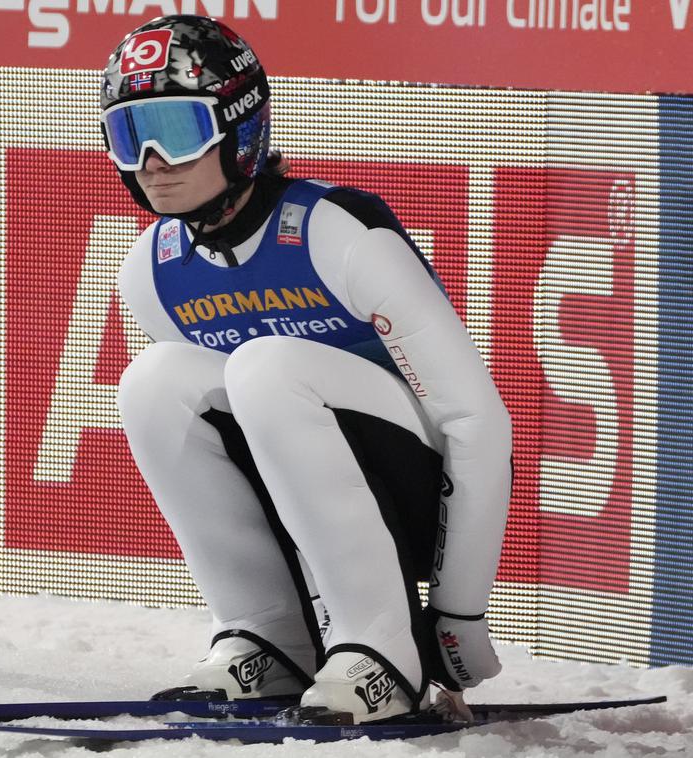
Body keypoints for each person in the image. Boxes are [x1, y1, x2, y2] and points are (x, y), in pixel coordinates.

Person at [101, 15, 513, 724]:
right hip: (310, 504)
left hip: (420, 503)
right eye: (130, 135)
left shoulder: (336, 231)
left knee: (263, 367)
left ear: (240, 127)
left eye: (177, 126)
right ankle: (269, 637)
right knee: (152, 381)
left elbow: (477, 421)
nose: (154, 160)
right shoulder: (153, 269)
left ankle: (383, 648)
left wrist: (456, 614)